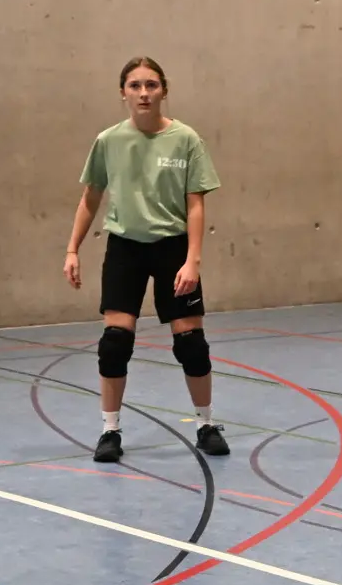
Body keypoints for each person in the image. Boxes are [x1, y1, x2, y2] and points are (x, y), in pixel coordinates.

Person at [63, 57, 224, 464]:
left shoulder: (186, 139)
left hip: (172, 247)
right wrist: (72, 249)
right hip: (126, 248)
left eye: (151, 85)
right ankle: (110, 430)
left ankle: (206, 424)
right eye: (134, 85)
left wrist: (193, 261)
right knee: (115, 343)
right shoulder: (109, 141)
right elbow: (90, 197)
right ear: (123, 93)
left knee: (191, 344)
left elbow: (196, 203)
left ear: (164, 90)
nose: (143, 92)